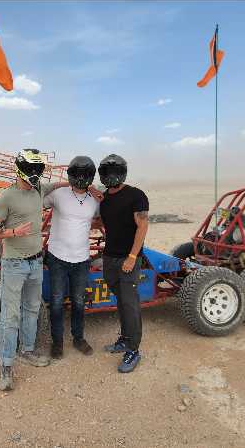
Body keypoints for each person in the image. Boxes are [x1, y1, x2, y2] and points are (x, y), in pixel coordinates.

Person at [0, 148, 69, 391]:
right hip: (14, 264)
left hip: (36, 262)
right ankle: (6, 366)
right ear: (20, 169)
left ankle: (27, 350)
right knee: (10, 316)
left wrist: (77, 182)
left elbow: (55, 185)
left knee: (32, 309)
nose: (36, 174)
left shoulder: (38, 190)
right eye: (32, 169)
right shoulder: (7, 197)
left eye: (38, 169)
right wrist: (14, 232)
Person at [43, 156, 102, 359]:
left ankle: (78, 338)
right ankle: (57, 342)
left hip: (81, 259)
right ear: (71, 175)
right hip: (58, 258)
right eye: (77, 174)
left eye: (85, 175)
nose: (81, 178)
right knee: (57, 302)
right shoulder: (58, 194)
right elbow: (36, 201)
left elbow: (104, 216)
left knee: (78, 301)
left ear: (90, 176)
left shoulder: (94, 200)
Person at [98, 154, 149, 373]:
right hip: (109, 258)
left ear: (122, 173)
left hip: (128, 259)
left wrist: (132, 256)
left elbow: (143, 226)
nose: (111, 176)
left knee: (130, 304)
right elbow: (104, 222)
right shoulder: (104, 198)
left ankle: (133, 349)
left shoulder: (136, 195)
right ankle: (125, 339)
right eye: (107, 172)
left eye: (115, 172)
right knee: (121, 301)